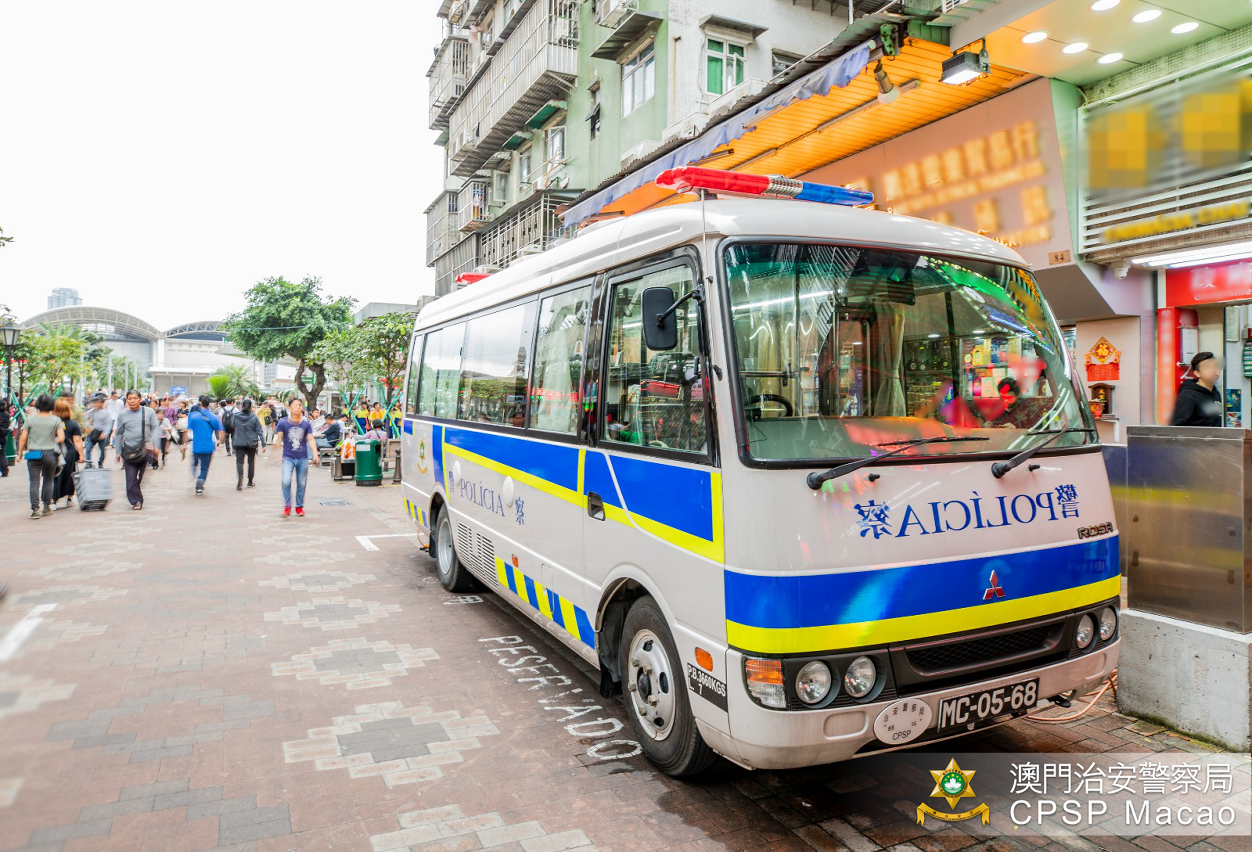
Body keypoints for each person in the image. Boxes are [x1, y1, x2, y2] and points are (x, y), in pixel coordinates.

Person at [17, 394, 64, 518]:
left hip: (33, 453)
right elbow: (61, 438)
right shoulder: (56, 420)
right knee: (48, 480)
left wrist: (19, 453)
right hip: (50, 453)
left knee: (34, 482)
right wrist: (52, 441)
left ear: (38, 405)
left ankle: (35, 510)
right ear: (52, 405)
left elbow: (23, 438)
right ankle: (46, 507)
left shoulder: (30, 420)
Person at [112, 389, 158, 510]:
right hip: (129, 450)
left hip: (145, 449)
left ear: (140, 399)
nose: (132, 401)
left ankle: (136, 492)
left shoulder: (149, 412)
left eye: (135, 398)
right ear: (126, 400)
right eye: (130, 399)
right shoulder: (122, 415)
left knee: (140, 477)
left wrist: (155, 445)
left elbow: (155, 428)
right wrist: (118, 451)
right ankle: (136, 500)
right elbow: (119, 434)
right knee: (131, 477)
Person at [273, 397, 320, 517]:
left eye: (299, 405)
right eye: (295, 405)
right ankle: (287, 506)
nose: (297, 407)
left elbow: (310, 439)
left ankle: (299, 507)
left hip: (302, 458)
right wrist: (276, 444)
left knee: (301, 484)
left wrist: (315, 453)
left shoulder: (306, 423)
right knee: (286, 482)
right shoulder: (283, 422)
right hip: (288, 458)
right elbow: (279, 437)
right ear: (290, 407)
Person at [1171, 351, 1224, 427]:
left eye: (1216, 366)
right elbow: (1176, 427)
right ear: (1197, 373)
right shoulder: (1188, 395)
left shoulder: (1216, 393)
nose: (1214, 371)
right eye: (1208, 367)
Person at [51, 397, 85, 509]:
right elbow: (77, 441)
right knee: (70, 475)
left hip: (54, 453)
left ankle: (53, 500)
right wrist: (81, 455)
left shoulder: (52, 423)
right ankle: (70, 498)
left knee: (54, 476)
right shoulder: (73, 424)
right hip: (70, 453)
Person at [187, 394, 224, 494]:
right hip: (208, 446)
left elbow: (188, 431)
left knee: (194, 463)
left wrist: (183, 444)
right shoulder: (214, 417)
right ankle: (200, 484)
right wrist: (220, 443)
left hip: (196, 446)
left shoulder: (193, 416)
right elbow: (219, 431)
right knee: (204, 467)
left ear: (200, 403)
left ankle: (194, 473)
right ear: (209, 404)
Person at [232, 399, 266, 490]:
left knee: (239, 461)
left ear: (242, 406)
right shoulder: (254, 417)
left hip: (239, 441)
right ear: (251, 407)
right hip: (251, 442)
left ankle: (240, 477)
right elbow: (259, 431)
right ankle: (250, 482)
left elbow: (232, 426)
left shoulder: (235, 416)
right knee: (251, 461)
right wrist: (263, 444)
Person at [84, 394, 113, 467]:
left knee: (102, 450)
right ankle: (88, 463)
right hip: (93, 433)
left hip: (101, 434)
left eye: (97, 402)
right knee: (88, 448)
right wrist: (89, 426)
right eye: (95, 403)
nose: (96, 404)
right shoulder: (92, 411)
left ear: (102, 403)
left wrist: (105, 433)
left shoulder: (106, 413)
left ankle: (100, 462)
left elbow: (108, 424)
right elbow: (85, 420)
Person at [0, 401, 10, 478]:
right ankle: (4, 471)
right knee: (2, 453)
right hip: (3, 436)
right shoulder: (7, 414)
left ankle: (4, 470)